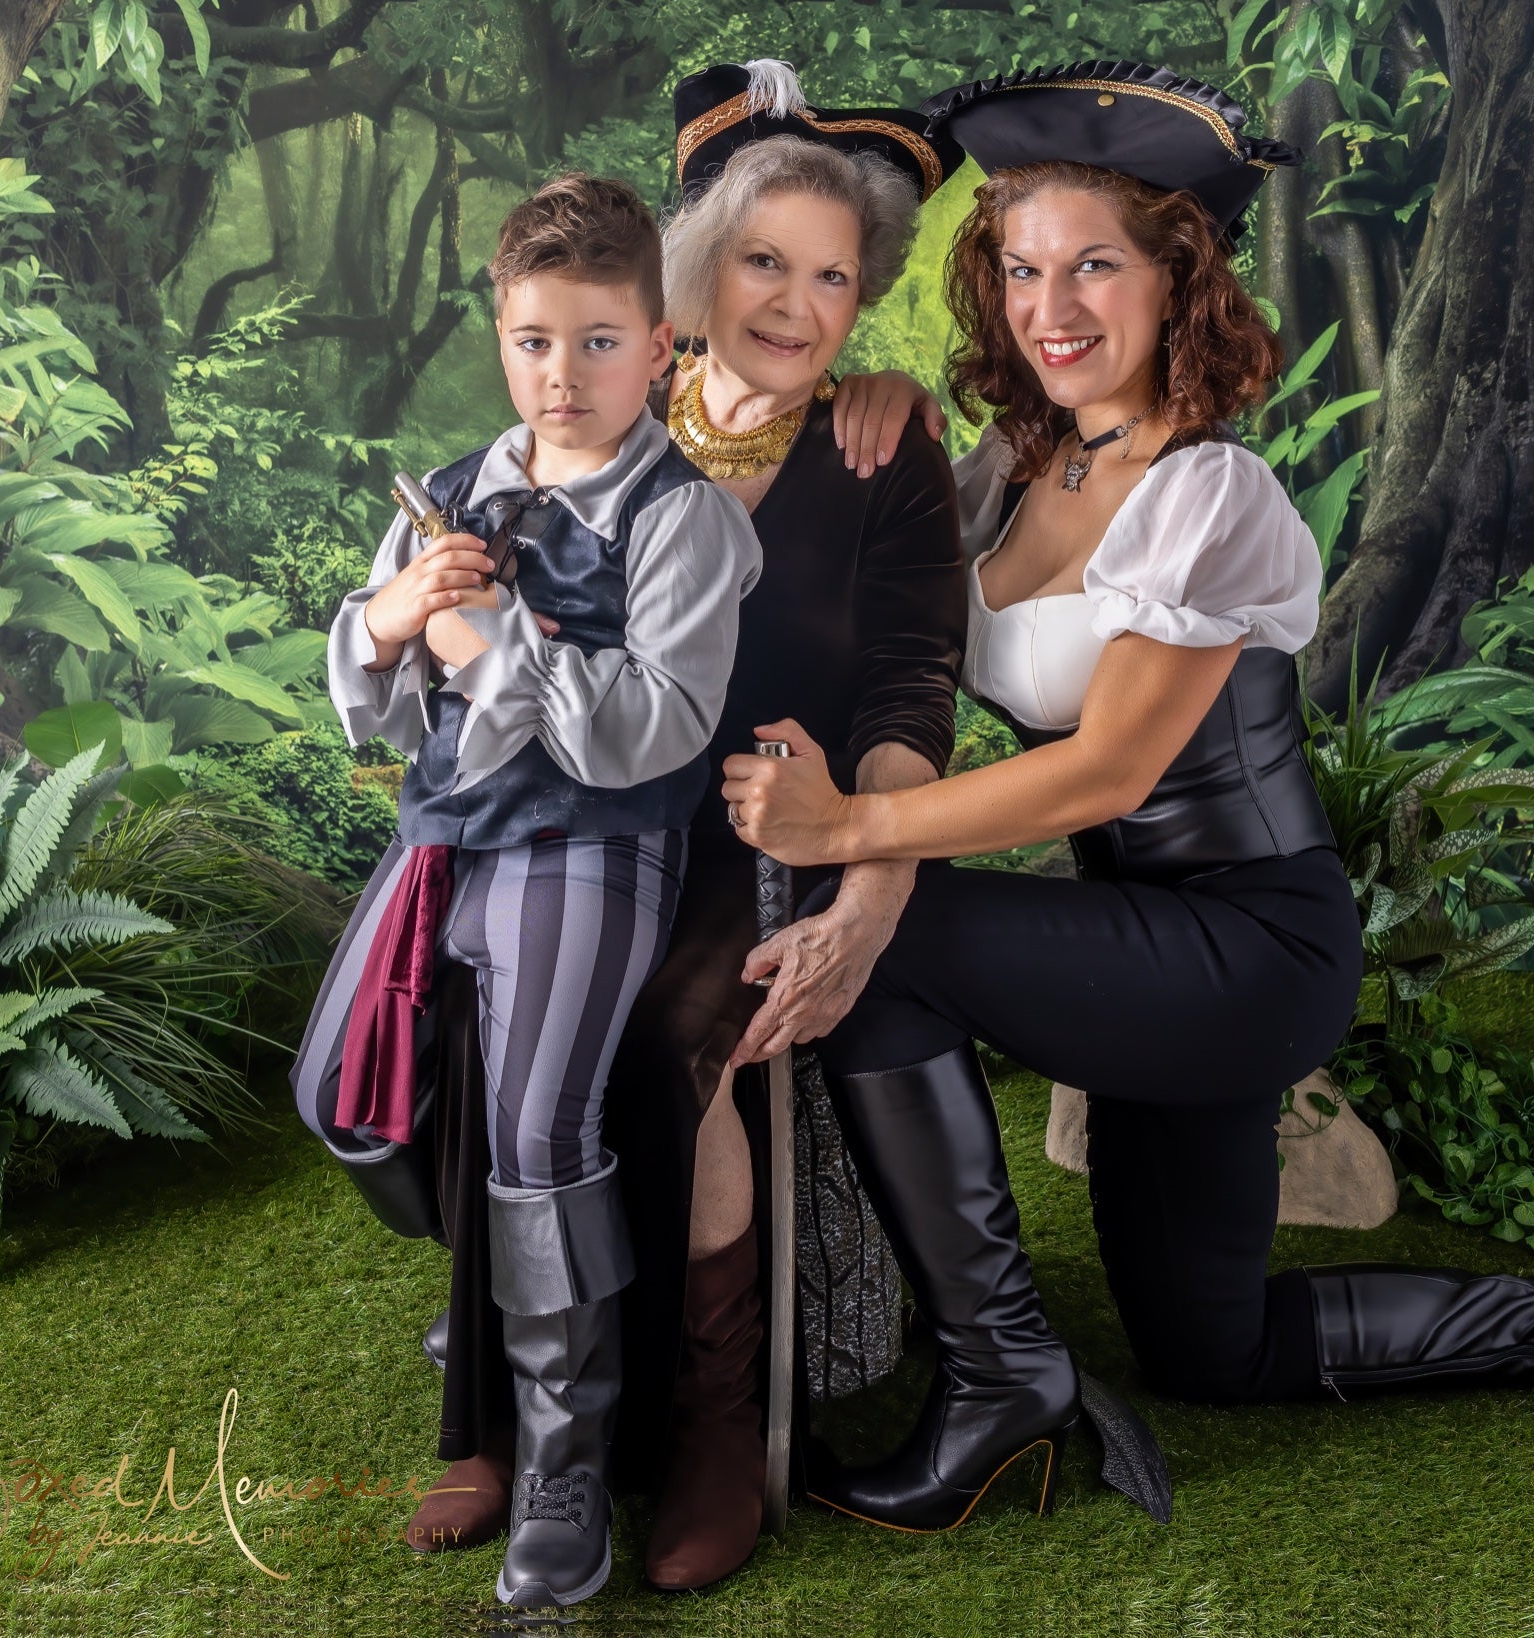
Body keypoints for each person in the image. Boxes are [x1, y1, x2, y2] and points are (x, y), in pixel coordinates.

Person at [722, 60, 1534, 1534]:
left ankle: (1001, 1377)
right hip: (1140, 954)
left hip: (1248, 954)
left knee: (882, 933)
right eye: (1026, 266)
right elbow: (887, 582)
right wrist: (865, 393)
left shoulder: (1209, 494)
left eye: (1097, 265)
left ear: (1180, 279)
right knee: (1211, 1350)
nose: (1054, 306)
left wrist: (854, 830)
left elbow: (1110, 766)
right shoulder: (1014, 461)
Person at [418, 59, 973, 1593]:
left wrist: (870, 880)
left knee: (679, 1026)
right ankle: (499, 1418)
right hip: (570, 800)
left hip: (755, 824)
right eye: (763, 263)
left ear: (862, 307)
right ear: (690, 278)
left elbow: (912, 691)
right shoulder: (610, 396)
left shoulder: (881, 449)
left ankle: (715, 1419)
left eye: (834, 279)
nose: (795, 305)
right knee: (478, 995)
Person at [307, 173, 762, 1608]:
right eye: (533, 342)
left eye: (598, 342)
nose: (562, 376)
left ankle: (564, 1467)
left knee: (538, 1127)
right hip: (445, 835)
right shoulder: (453, 491)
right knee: (346, 1097)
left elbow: (655, 726)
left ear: (662, 345)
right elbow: (374, 703)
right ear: (499, 337)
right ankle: (499, 1303)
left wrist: (499, 642)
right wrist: (392, 616)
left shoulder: (684, 521)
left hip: (588, 842)